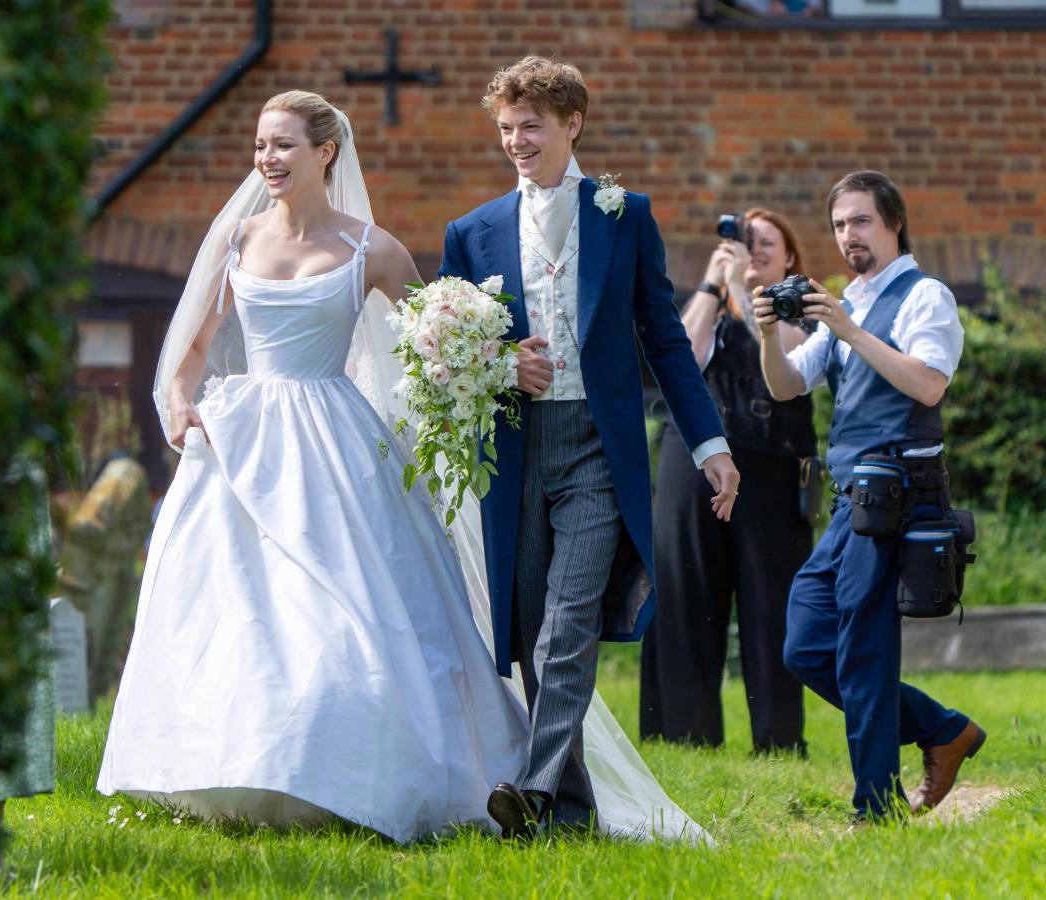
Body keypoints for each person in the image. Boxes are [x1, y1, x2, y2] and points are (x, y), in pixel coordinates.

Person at [98, 90, 710, 845]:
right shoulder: (236, 241)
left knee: (346, 611)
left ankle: (352, 766)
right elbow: (193, 346)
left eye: (283, 145)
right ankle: (232, 758)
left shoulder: (373, 249)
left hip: (335, 440)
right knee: (243, 610)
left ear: (325, 152)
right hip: (242, 441)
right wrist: (181, 405)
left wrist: (490, 357)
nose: (266, 160)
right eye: (261, 145)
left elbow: (432, 338)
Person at [438, 57, 740, 838]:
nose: (516, 142)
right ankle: (568, 812)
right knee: (535, 624)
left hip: (599, 450)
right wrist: (505, 364)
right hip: (516, 446)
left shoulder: (623, 214)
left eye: (530, 126)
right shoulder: (470, 234)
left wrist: (709, 441)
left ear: (572, 123)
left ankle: (531, 788)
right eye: (505, 129)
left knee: (569, 617)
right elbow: (445, 348)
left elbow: (665, 340)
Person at [754, 170, 986, 823]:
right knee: (805, 642)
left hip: (899, 497)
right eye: (838, 225)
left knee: (862, 648)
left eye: (859, 221)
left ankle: (875, 807)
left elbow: (929, 384)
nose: (847, 235)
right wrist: (771, 332)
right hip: (851, 502)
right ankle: (943, 728)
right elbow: (786, 386)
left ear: (892, 223)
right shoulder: (846, 303)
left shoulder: (925, 296)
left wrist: (850, 331)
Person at [640, 208, 814, 755]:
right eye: (744, 240)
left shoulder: (802, 306)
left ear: (789, 257)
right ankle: (685, 734)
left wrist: (745, 284)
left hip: (771, 462)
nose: (753, 248)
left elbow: (789, 357)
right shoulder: (705, 302)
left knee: (772, 602)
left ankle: (779, 739)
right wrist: (715, 284)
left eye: (767, 241)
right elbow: (679, 362)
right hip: (692, 460)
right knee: (684, 592)